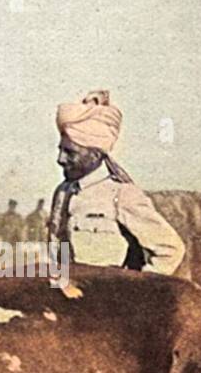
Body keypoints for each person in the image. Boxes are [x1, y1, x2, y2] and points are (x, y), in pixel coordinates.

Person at [48, 90, 185, 274]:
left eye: (70, 152)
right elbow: (56, 252)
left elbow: (170, 249)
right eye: (61, 150)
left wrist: (139, 290)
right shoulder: (63, 193)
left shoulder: (122, 195)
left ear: (95, 154)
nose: (60, 159)